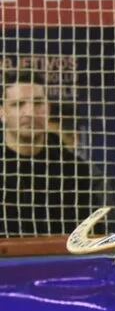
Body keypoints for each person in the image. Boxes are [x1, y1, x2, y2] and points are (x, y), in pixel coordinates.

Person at [0, 71, 99, 236]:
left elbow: (91, 234)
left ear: (48, 108)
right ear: (2, 113)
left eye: (38, 103)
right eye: (18, 104)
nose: (30, 112)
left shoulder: (74, 170)